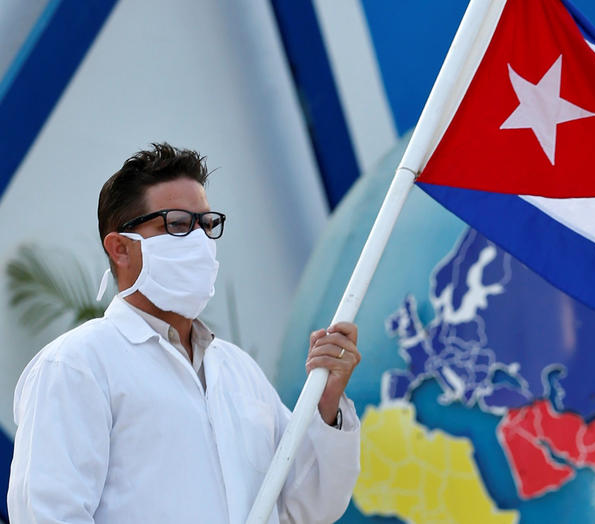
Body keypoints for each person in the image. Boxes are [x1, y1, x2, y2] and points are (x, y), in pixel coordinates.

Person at [7, 143, 361, 523]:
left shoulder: (240, 372)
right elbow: (48, 513)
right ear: (121, 248)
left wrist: (327, 402)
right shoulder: (77, 365)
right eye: (176, 225)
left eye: (206, 225)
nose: (199, 241)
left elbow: (307, 506)